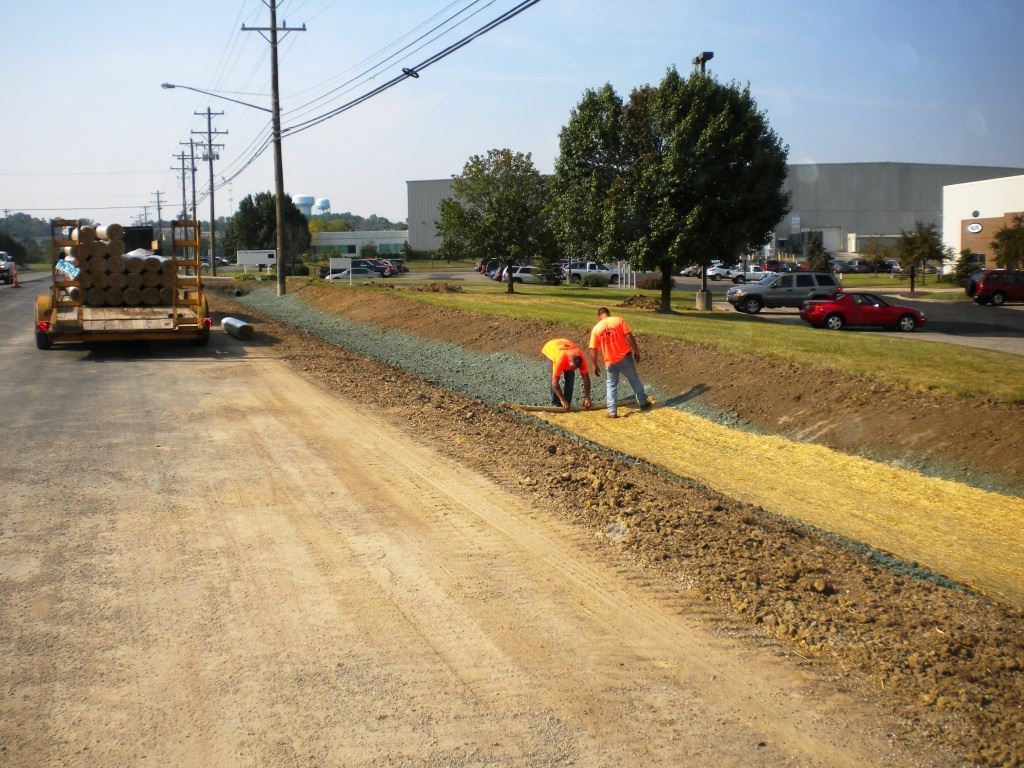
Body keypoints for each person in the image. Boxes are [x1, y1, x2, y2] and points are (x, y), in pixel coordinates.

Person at [588, 307, 650, 418]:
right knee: (634, 379)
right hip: (625, 358)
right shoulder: (618, 320)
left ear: (599, 317)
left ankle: (612, 412)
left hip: (610, 362)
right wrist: (635, 350)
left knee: (611, 385)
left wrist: (594, 364)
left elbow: (593, 349)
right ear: (609, 314)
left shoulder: (596, 329)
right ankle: (643, 403)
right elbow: (629, 336)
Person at [541, 338, 592, 411]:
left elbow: (586, 377)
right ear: (570, 361)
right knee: (553, 377)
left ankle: (567, 403)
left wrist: (587, 397)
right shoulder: (560, 359)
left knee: (571, 377)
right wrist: (562, 399)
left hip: (564, 346)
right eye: (572, 367)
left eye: (575, 368)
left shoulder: (581, 358)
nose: (573, 369)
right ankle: (555, 403)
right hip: (550, 349)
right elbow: (555, 383)